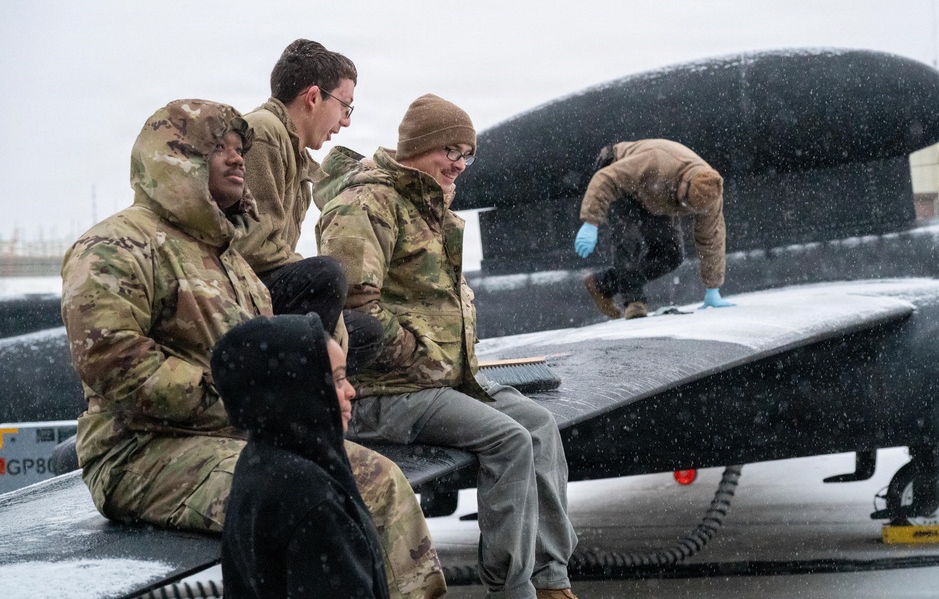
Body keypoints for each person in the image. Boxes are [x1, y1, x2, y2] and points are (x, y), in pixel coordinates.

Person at [61, 99, 446, 599]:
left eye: (239, 148)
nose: (237, 158)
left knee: (379, 481)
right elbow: (114, 366)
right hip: (143, 451)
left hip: (239, 437)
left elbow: (271, 346)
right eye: (217, 147)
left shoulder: (228, 256)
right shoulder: (115, 245)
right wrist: (244, 402)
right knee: (324, 493)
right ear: (175, 158)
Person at [318, 94, 580, 599]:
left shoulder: (428, 205)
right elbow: (354, 311)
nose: (459, 164)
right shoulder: (365, 204)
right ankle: (513, 589)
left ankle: (552, 581)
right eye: (449, 150)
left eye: (467, 154)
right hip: (387, 390)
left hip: (439, 379)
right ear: (417, 147)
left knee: (540, 426)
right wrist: (421, 355)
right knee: (508, 441)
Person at [214, 313, 390, 599]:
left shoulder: (259, 461)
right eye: (337, 379)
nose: (351, 391)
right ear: (297, 391)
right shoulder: (312, 499)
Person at [233, 38, 382, 374]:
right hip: (237, 295)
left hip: (261, 294)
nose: (346, 122)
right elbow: (251, 248)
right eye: (346, 107)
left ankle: (309, 388)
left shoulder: (294, 152)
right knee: (325, 276)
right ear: (314, 97)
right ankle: (296, 401)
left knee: (369, 334)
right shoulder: (264, 132)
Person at [573, 138, 736, 319]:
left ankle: (602, 285)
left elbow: (711, 238)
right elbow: (605, 179)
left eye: (690, 208)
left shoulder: (711, 196)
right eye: (684, 202)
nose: (685, 208)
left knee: (671, 254)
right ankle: (634, 302)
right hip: (623, 178)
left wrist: (712, 287)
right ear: (684, 182)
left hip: (657, 195)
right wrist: (590, 221)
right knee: (628, 239)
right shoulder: (656, 161)